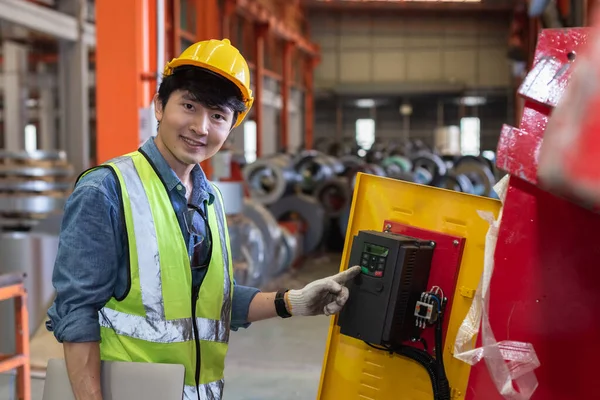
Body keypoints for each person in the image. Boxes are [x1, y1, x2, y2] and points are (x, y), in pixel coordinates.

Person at [46, 38, 361, 400]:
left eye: (217, 116)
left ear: (231, 127)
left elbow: (211, 302)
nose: (200, 127)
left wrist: (294, 302)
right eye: (189, 106)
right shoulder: (107, 189)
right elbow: (76, 311)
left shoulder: (207, 197)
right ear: (160, 106)